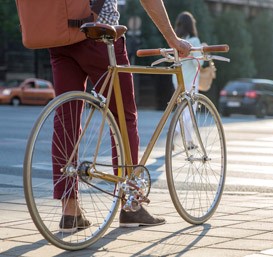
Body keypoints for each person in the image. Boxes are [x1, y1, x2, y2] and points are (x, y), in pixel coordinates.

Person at [51, 0, 192, 232]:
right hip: (99, 35)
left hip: (59, 36)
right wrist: (172, 39)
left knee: (66, 119)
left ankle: (70, 210)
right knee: (123, 119)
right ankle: (130, 205)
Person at [172, 11, 203, 149]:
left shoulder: (176, 41)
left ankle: (189, 142)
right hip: (191, 79)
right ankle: (174, 132)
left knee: (183, 110)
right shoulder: (194, 41)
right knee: (190, 111)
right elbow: (198, 63)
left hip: (177, 79)